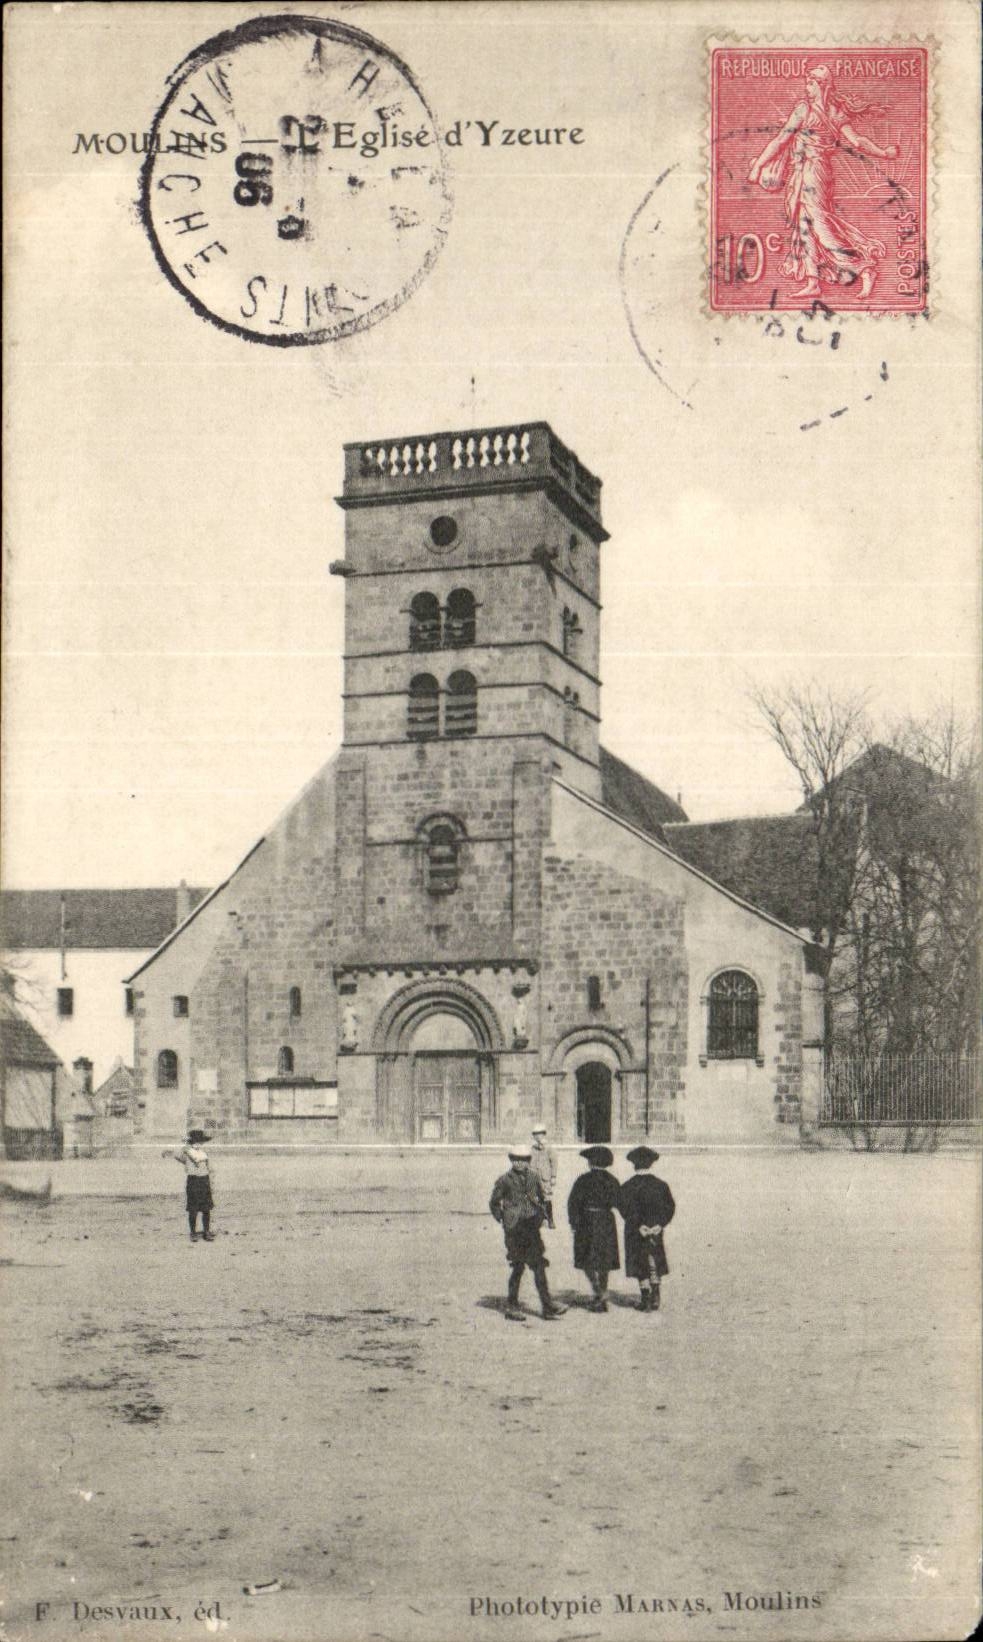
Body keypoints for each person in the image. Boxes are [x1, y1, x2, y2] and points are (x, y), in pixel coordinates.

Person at [747, 63, 898, 299]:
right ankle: (812, 281)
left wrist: (884, 153)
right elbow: (782, 141)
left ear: (822, 85)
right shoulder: (827, 112)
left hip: (814, 172)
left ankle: (863, 268)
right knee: (805, 225)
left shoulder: (810, 111)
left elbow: (782, 141)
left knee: (819, 224)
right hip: (807, 171)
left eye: (810, 83)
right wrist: (883, 152)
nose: (807, 87)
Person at [489, 1146, 566, 1323]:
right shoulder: (504, 1180)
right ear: (511, 1160)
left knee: (539, 1267)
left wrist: (542, 1217)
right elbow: (494, 1203)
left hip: (531, 1227)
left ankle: (547, 1307)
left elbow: (541, 1198)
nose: (519, 1162)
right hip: (514, 1229)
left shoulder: (533, 1177)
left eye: (523, 1159)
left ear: (528, 1161)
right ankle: (512, 1306)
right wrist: (503, 1218)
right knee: (518, 1267)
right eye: (516, 1159)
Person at [620, 1146, 675, 1312]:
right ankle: (656, 1295)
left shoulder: (627, 1186)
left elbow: (624, 1209)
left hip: (636, 1230)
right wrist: (660, 1224)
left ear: (634, 1165)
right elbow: (669, 1207)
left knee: (639, 1261)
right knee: (654, 1260)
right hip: (655, 1230)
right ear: (651, 1164)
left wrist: (638, 1226)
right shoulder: (661, 1185)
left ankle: (645, 1297)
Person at [567, 1145, 621, 1312]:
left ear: (590, 1163)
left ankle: (598, 1291)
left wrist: (574, 1223)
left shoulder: (583, 1180)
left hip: (587, 1221)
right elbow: (619, 1201)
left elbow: (573, 1203)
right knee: (604, 1260)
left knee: (586, 1258)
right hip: (606, 1221)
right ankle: (602, 1291)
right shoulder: (612, 1180)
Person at [163, 1128, 215, 1242]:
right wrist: (182, 1148)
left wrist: (211, 1182)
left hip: (204, 1181)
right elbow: (177, 1155)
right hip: (193, 1181)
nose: (197, 1144)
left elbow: (209, 1168)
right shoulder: (186, 1152)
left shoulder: (204, 1153)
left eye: (199, 1141)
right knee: (193, 1209)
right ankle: (193, 1233)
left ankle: (206, 1231)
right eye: (194, 1142)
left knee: (206, 1209)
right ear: (191, 1142)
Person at [529, 1124, 557, 1228]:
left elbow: (554, 1162)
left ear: (544, 1134)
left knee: (547, 1198)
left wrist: (553, 1176)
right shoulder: (532, 1148)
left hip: (545, 1178)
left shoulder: (549, 1148)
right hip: (534, 1177)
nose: (537, 1136)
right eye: (535, 1134)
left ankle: (550, 1220)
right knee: (534, 1198)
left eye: (539, 1134)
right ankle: (538, 1219)